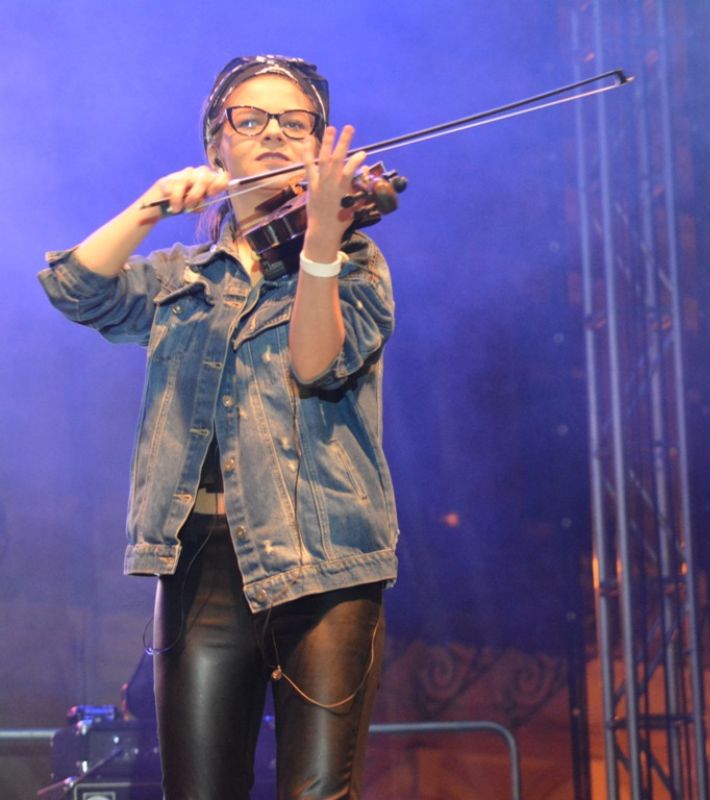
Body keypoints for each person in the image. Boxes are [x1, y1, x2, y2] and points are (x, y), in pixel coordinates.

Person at [39, 55, 398, 798]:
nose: (273, 133)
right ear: (216, 145)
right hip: (199, 557)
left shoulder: (354, 260)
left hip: (326, 558)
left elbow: (314, 363)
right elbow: (75, 289)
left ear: (320, 147)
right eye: (250, 119)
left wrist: (322, 239)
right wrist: (150, 205)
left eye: (295, 122)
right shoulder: (180, 274)